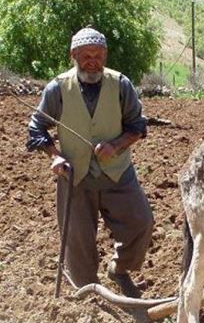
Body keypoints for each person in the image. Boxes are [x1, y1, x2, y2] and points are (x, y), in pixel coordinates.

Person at [27, 26, 153, 298]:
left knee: (141, 223)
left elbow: (137, 126)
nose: (92, 61)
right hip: (74, 176)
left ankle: (119, 269)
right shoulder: (58, 88)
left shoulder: (120, 85)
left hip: (117, 173)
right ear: (74, 55)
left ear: (105, 55)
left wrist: (116, 145)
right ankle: (86, 292)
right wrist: (55, 156)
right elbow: (37, 127)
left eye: (98, 55)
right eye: (86, 56)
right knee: (77, 240)